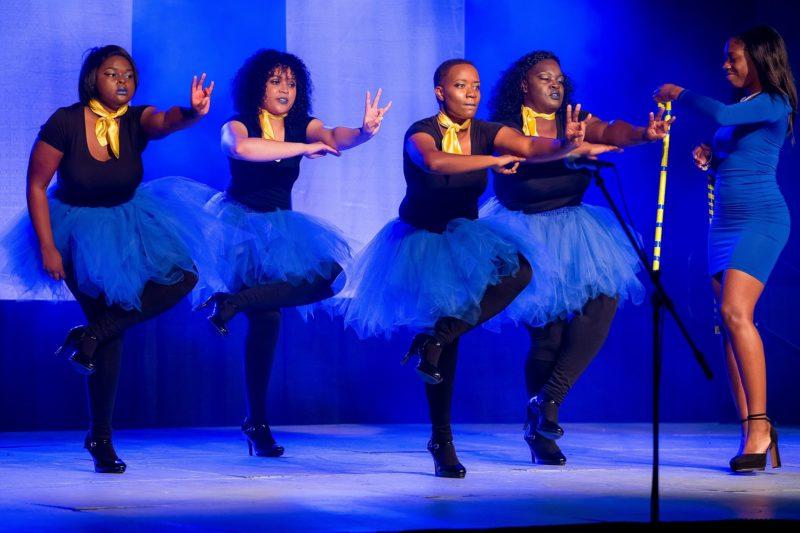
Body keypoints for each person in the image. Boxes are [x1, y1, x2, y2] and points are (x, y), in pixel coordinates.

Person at [335, 58, 592, 478]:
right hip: (422, 241)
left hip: (467, 238)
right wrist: (490, 162)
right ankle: (442, 440)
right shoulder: (420, 131)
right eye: (460, 86)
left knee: (519, 272)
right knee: (445, 356)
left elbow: (528, 146)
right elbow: (436, 163)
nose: (471, 93)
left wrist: (566, 145)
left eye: (475, 85)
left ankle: (437, 336)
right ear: (441, 91)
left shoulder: (488, 131)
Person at [0, 45, 215, 473]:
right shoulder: (64, 121)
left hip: (131, 223)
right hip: (74, 231)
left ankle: (92, 340)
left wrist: (191, 113)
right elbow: (36, 184)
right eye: (112, 73)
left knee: (183, 276)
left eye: (129, 75)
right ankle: (100, 436)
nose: (122, 81)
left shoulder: (135, 120)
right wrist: (47, 245)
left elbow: (165, 120)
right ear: (92, 78)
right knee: (106, 324)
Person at [196, 49, 391, 458]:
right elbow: (244, 149)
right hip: (240, 229)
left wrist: (363, 132)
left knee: (328, 278)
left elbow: (334, 137)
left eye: (291, 82)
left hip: (283, 229)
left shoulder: (303, 123)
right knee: (266, 323)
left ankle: (232, 303)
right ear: (257, 86)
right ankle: (257, 423)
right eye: (275, 81)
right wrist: (299, 149)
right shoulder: (238, 123)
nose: (285, 90)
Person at [481, 50, 670, 465]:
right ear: (523, 85)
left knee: (604, 301)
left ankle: (547, 402)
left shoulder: (575, 119)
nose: (555, 84)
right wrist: (570, 147)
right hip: (523, 233)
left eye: (560, 78)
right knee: (546, 336)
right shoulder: (503, 127)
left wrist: (643, 133)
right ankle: (541, 436)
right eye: (544, 77)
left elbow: (610, 130)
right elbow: (533, 149)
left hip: (577, 231)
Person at [655, 25, 796, 473]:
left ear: (759, 58)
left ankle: (760, 426)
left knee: (738, 313)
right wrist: (712, 162)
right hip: (725, 224)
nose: (726, 64)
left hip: (762, 220)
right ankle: (750, 429)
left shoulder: (775, 101)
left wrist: (679, 92)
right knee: (729, 324)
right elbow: (736, 153)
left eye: (733, 56)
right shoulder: (745, 106)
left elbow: (717, 114)